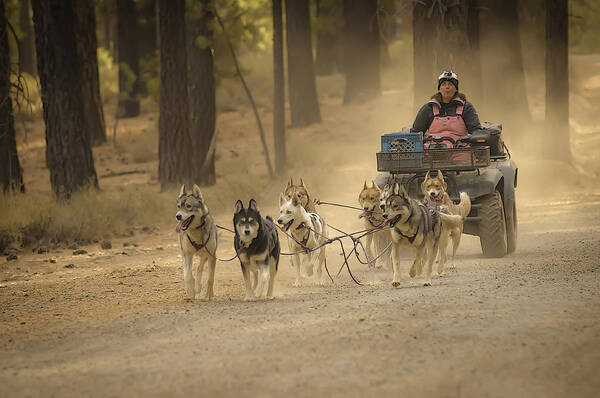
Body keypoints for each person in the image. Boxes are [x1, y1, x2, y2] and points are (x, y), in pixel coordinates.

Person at [412, 71, 482, 148]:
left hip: (461, 154)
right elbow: (416, 133)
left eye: (450, 84)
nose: (447, 87)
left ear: (456, 89)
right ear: (439, 88)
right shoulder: (428, 108)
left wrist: (478, 136)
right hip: (432, 154)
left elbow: (475, 130)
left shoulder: (466, 107)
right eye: (443, 84)